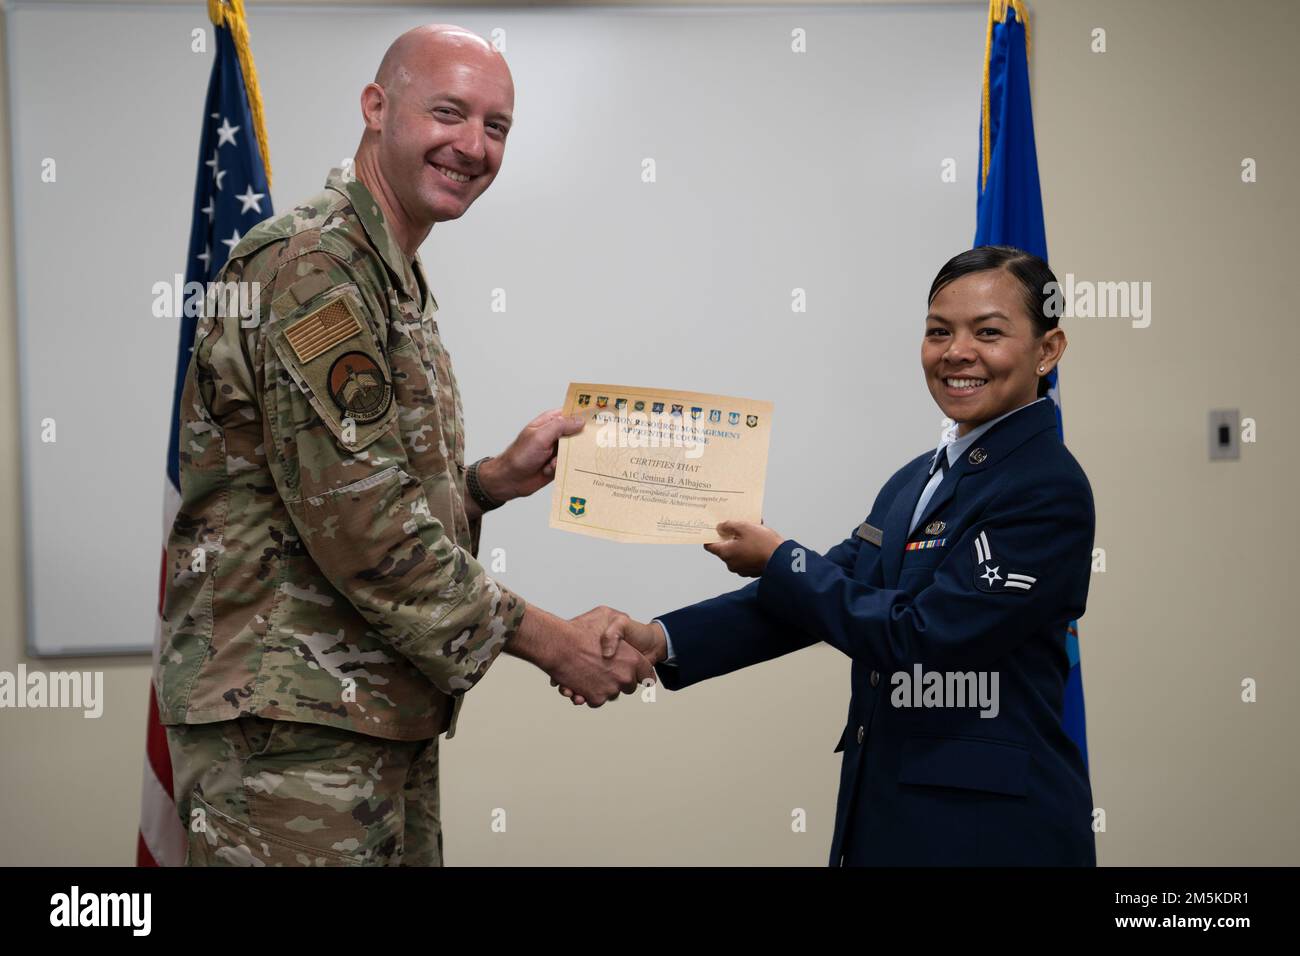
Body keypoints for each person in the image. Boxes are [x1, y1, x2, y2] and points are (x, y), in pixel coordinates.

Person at [156, 24, 653, 868]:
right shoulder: (313, 265)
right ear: (377, 108)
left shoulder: (390, 273)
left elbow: (329, 502)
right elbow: (367, 532)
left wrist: (487, 484)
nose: (473, 146)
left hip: (360, 717)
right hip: (291, 739)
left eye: (496, 127)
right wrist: (553, 641)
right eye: (449, 112)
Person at [576, 246, 1097, 866]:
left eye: (988, 332)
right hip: (887, 813)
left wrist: (780, 559)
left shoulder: (1045, 487)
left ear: (1048, 349)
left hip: (988, 833)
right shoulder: (917, 479)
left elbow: (921, 637)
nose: (957, 352)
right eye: (938, 332)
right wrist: (661, 638)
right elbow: (818, 597)